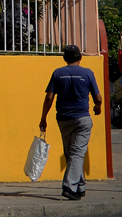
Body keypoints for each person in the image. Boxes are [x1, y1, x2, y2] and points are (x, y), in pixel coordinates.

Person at [39, 44, 103, 200]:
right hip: (82, 118)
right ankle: (69, 186)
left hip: (63, 119)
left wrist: (43, 118)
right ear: (80, 58)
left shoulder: (58, 73)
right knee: (78, 153)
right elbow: (98, 97)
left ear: (65, 58)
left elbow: (49, 97)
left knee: (71, 153)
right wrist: (97, 107)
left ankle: (80, 187)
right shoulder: (88, 73)